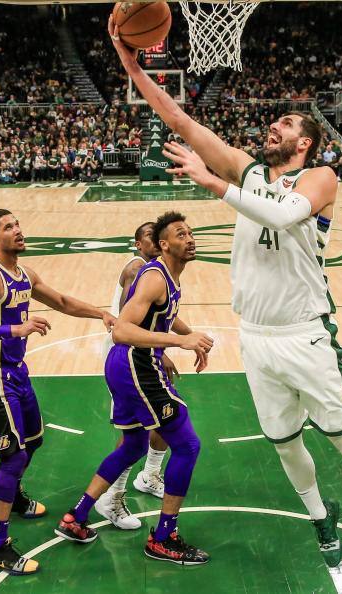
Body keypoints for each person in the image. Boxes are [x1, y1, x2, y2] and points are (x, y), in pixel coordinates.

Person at [111, 19, 342, 569]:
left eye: (285, 123)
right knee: (284, 441)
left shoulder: (321, 178)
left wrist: (214, 184)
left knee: (340, 434)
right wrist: (132, 63)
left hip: (306, 331)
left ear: (303, 141)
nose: (273, 127)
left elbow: (284, 216)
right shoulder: (250, 170)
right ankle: (317, 515)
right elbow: (179, 119)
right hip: (257, 337)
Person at [0, 209, 115, 576]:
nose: (18, 230)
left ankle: (12, 497)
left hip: (17, 374)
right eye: (8, 227)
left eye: (18, 225)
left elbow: (60, 301)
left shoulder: (24, 274)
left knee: (34, 441)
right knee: (11, 457)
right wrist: (15, 330)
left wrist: (101, 314)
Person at [56, 211, 215, 565]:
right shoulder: (155, 276)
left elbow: (165, 314)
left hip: (124, 365)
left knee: (132, 445)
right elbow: (122, 330)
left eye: (190, 233)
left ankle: (76, 516)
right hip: (135, 363)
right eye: (180, 234)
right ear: (163, 244)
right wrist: (179, 344)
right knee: (187, 445)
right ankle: (164, 537)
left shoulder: (169, 277)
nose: (189, 238)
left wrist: (188, 336)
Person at [94, 222, 172, 530]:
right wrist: (163, 351)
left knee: (165, 415)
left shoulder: (158, 271)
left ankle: (149, 474)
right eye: (149, 236)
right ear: (138, 244)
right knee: (135, 432)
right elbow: (126, 326)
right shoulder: (138, 268)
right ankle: (111, 496)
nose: (155, 240)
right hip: (127, 353)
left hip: (146, 351)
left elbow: (167, 315)